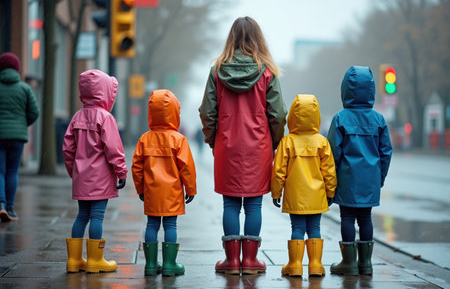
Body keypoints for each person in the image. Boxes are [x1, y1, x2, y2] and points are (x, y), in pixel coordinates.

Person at [199, 16, 287, 275]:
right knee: (253, 205)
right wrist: (275, 142)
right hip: (259, 147)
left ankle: (230, 261)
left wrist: (212, 139)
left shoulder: (217, 71)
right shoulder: (268, 72)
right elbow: (279, 114)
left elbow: (207, 112)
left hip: (227, 145)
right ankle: (250, 261)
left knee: (230, 204)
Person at [327, 66, 392, 276]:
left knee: (347, 217)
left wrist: (331, 181)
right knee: (366, 218)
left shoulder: (340, 118)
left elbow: (332, 153)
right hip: (370, 179)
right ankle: (366, 263)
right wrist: (379, 177)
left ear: (345, 90)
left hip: (347, 178)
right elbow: (386, 152)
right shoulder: (378, 119)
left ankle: (349, 263)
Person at [63, 69, 128, 273]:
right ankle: (94, 260)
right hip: (100, 178)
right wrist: (121, 172)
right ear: (105, 92)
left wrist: (73, 171)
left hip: (81, 176)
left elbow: (67, 148)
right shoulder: (105, 118)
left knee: (81, 215)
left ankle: (74, 260)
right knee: (97, 217)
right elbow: (113, 149)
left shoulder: (77, 117)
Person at [132, 89, 197, 276]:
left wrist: (140, 188)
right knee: (170, 226)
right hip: (172, 192)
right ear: (175, 112)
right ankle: (170, 264)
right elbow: (187, 168)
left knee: (151, 225)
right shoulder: (179, 140)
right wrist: (190, 189)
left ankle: (150, 265)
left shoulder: (145, 139)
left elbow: (136, 167)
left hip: (152, 191)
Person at [271, 94, 337, 277]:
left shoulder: (287, 142)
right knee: (315, 228)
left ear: (293, 115)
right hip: (316, 196)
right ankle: (316, 265)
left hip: (295, 196)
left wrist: (276, 193)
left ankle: (295, 265)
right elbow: (329, 171)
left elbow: (278, 171)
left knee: (297, 228)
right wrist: (330, 191)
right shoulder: (322, 142)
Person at [0, 52, 39, 222]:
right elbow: (34, 112)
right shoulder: (24, 88)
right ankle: (10, 208)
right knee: (12, 172)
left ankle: (1, 205)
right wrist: (22, 124)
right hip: (17, 137)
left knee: (0, 171)